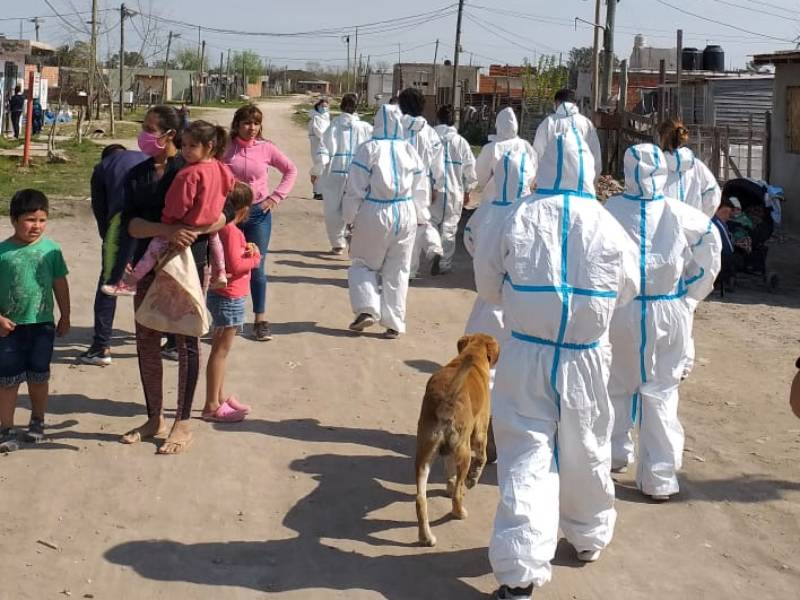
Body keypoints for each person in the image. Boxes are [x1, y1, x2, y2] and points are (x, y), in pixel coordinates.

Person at [476, 130, 640, 599]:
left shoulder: (518, 214)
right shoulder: (608, 223)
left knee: (526, 454)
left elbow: (488, 282)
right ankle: (588, 534)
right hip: (586, 356)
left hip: (527, 352)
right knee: (586, 445)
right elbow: (628, 287)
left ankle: (520, 570)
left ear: (543, 164)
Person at [606, 144, 721, 501]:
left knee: (615, 386)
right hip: (668, 310)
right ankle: (659, 477)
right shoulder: (679, 212)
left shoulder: (609, 210)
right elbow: (711, 243)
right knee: (661, 392)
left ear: (627, 171)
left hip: (622, 310)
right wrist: (692, 293)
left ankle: (613, 454)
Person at [118, 105, 228, 455]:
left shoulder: (197, 167)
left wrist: (195, 230)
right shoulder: (137, 175)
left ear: (171, 134)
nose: (144, 134)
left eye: (150, 128)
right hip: (148, 265)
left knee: (186, 341)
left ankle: (183, 421)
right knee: (146, 339)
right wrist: (167, 230)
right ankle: (154, 418)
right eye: (144, 127)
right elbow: (131, 225)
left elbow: (226, 215)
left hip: (188, 266)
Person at [102, 120, 233, 295]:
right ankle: (220, 273)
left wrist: (167, 224)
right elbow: (229, 187)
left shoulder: (188, 173)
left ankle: (131, 282)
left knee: (152, 252)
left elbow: (179, 203)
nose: (186, 150)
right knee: (215, 245)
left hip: (182, 235)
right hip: (205, 233)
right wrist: (209, 216)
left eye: (192, 146)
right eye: (184, 145)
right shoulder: (219, 167)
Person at [343, 103, 427, 340]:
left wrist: (349, 218)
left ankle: (367, 308)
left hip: (375, 210)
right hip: (406, 212)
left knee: (363, 263)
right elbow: (421, 187)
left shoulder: (368, 149)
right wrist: (422, 216)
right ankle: (394, 323)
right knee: (398, 269)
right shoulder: (409, 149)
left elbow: (355, 188)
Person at [0, 190, 70, 453]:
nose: (36, 226)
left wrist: (65, 315)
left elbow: (60, 284)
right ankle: (6, 428)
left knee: (39, 378)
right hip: (9, 329)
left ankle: (37, 421)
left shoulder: (52, 251)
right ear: (14, 220)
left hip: (42, 326)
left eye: (42, 220)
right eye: (30, 220)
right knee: (7, 381)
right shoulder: (3, 252)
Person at [464, 106, 537, 352]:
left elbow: (470, 236)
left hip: (493, 205)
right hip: (521, 293)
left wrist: (482, 259)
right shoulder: (526, 147)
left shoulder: (492, 149)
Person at [223, 104, 298, 342]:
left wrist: (275, 198)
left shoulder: (266, 148)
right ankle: (226, 319)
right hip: (228, 215)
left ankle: (259, 320)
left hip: (258, 214)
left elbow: (291, 170)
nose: (252, 128)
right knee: (225, 265)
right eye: (247, 123)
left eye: (256, 123)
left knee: (256, 266)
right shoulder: (225, 148)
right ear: (237, 124)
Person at [78, 144, 147, 366]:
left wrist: (114, 249)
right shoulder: (146, 157)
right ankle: (171, 341)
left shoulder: (103, 167)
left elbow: (100, 210)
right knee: (153, 281)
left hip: (122, 222)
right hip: (153, 223)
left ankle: (101, 347)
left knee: (109, 284)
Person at [202, 182, 260, 422]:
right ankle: (211, 405)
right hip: (231, 296)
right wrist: (255, 258)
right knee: (220, 352)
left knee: (220, 350)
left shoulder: (221, 228)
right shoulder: (232, 231)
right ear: (244, 210)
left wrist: (246, 249)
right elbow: (235, 266)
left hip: (221, 294)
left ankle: (218, 396)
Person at [316, 93, 373, 254]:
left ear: (341, 106)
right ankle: (355, 238)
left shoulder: (334, 125)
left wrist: (319, 167)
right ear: (356, 107)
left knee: (333, 208)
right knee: (357, 207)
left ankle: (337, 243)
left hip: (336, 172)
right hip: (358, 173)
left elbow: (324, 148)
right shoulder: (365, 127)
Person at [398, 87, 445, 277]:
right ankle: (434, 246)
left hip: (401, 181)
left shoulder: (397, 127)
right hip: (423, 183)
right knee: (422, 220)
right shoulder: (430, 133)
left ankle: (409, 270)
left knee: (404, 226)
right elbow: (438, 164)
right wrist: (437, 186)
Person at [431, 104, 477, 274]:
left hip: (433, 190)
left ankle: (433, 250)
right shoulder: (461, 142)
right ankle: (444, 264)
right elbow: (470, 169)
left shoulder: (430, 138)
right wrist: (468, 190)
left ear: (438, 119)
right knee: (449, 228)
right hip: (454, 191)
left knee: (431, 224)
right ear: (453, 121)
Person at [659, 118, 721, 218]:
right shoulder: (697, 165)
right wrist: (702, 218)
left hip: (665, 225)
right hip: (693, 224)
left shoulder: (656, 167)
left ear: (661, 138)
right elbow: (713, 193)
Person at [533, 88, 602, 177]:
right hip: (581, 180)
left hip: (553, 180)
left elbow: (538, 152)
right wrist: (593, 181)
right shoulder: (586, 124)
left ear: (557, 103)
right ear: (575, 103)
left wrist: (538, 178)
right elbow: (595, 156)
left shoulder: (549, 122)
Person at [712, 196, 737, 290]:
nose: (728, 217)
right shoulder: (717, 223)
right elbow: (728, 249)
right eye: (727, 213)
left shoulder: (716, 222)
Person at [308, 98, 330, 200]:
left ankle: (318, 191)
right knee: (321, 166)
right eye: (322, 106)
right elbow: (318, 132)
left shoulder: (326, 118)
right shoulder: (316, 118)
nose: (324, 108)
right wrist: (326, 138)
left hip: (325, 146)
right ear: (318, 106)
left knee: (323, 168)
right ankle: (318, 192)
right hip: (318, 146)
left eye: (326, 106)